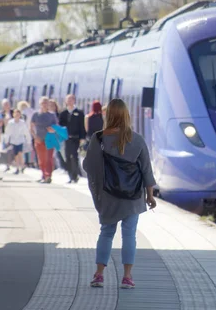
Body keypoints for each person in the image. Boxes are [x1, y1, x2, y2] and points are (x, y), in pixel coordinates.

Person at [83, 98, 157, 289]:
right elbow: (147, 170)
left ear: (107, 116)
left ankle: (99, 275)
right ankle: (127, 277)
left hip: (108, 195)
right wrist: (150, 195)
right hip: (133, 197)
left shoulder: (98, 138)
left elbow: (88, 166)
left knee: (106, 233)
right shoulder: (137, 139)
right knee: (129, 235)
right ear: (126, 116)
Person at [59, 94, 86, 183]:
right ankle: (70, 175)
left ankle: (75, 175)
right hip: (66, 139)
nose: (70, 101)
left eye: (71, 99)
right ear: (66, 101)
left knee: (74, 156)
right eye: (68, 100)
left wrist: (82, 137)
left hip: (76, 138)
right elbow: (60, 126)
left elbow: (82, 126)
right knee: (67, 156)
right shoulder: (63, 113)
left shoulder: (79, 113)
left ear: (74, 101)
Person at [31, 97, 57, 184]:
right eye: (43, 103)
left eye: (46, 103)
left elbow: (56, 127)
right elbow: (31, 127)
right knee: (41, 159)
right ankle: (43, 175)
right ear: (40, 104)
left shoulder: (52, 115)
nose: (44, 104)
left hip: (50, 139)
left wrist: (52, 129)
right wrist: (35, 137)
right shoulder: (35, 115)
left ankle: (48, 176)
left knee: (49, 158)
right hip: (39, 140)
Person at [4, 109, 31, 174]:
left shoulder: (22, 123)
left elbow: (26, 131)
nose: (17, 115)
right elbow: (8, 132)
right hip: (13, 141)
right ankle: (17, 167)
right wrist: (6, 140)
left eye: (18, 114)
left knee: (20, 153)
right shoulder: (11, 123)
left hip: (20, 140)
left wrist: (28, 140)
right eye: (15, 114)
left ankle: (22, 166)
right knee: (15, 155)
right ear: (13, 115)